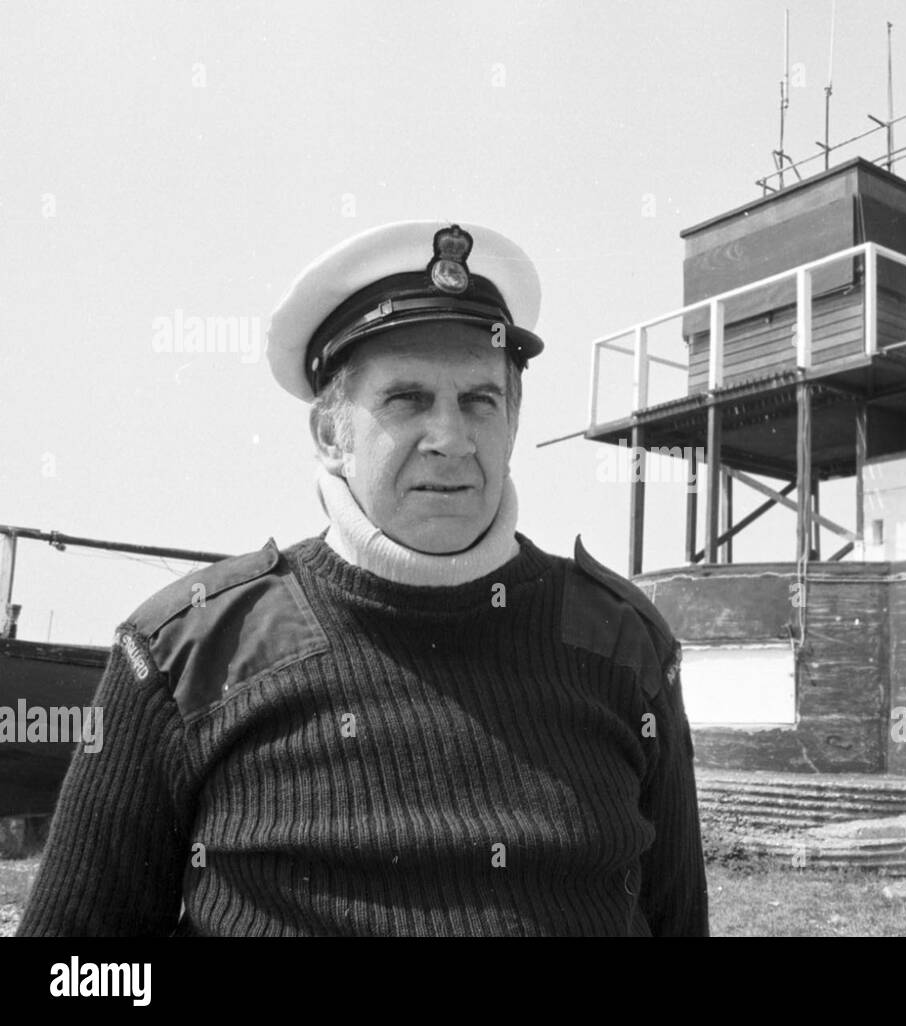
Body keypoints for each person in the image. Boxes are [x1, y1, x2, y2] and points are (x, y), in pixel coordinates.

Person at [18, 221, 709, 937]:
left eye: (480, 400)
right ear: (329, 434)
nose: (450, 437)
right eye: (407, 400)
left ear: (512, 422)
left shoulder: (624, 647)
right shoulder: (186, 654)